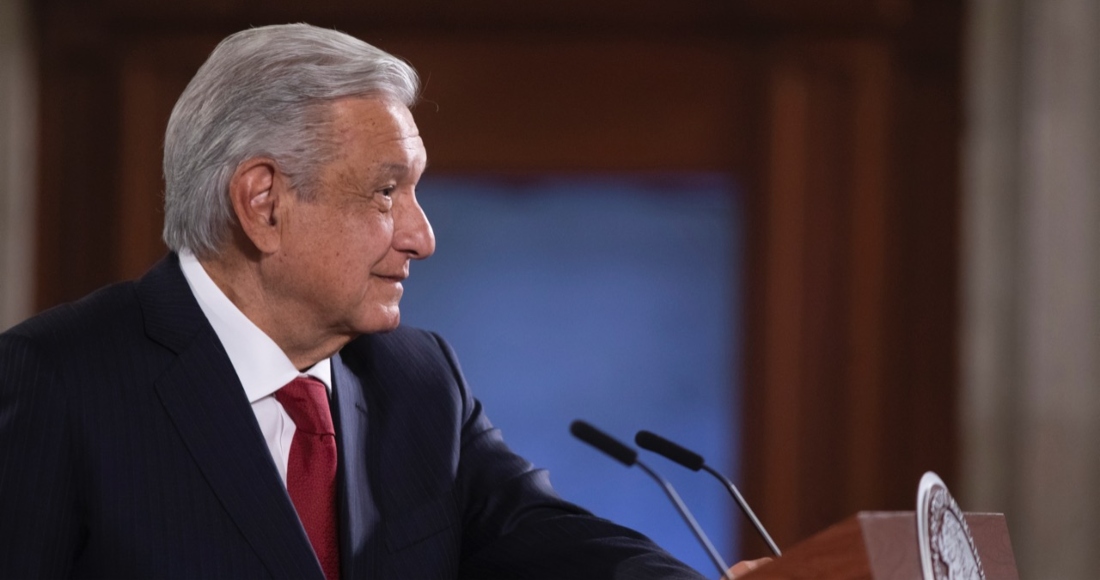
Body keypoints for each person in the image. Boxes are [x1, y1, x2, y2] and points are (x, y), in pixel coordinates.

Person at [0, 23, 765, 579]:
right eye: (386, 192)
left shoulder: (417, 379)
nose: (422, 237)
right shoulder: (58, 382)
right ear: (263, 202)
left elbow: (553, 541)